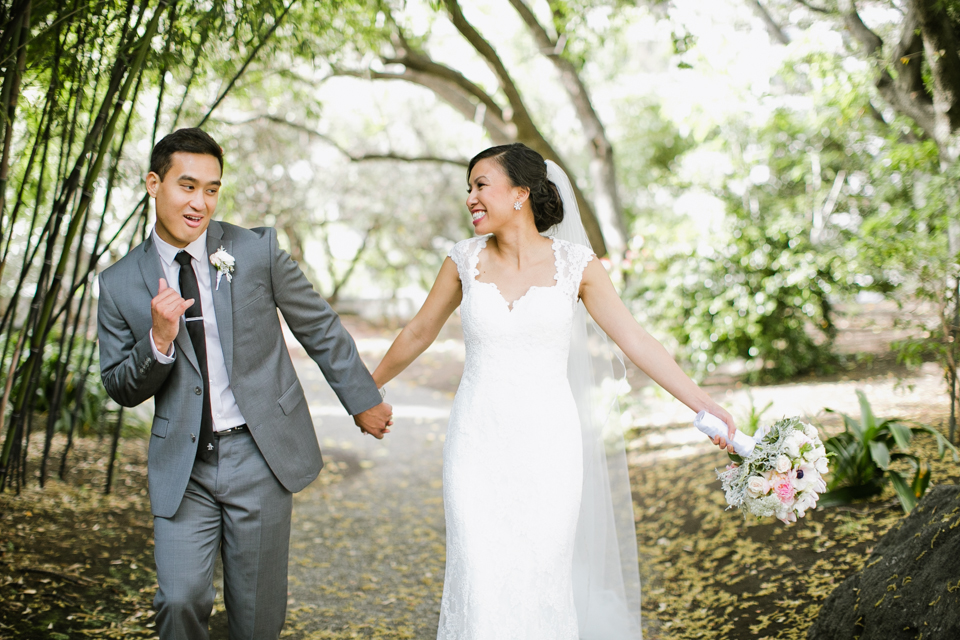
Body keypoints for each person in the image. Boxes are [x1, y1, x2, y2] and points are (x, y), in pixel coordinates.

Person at [371, 142, 736, 639]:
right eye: (469, 188)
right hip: (477, 445)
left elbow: (636, 340)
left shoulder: (577, 266)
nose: (470, 198)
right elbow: (418, 332)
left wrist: (704, 402)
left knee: (542, 575)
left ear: (520, 193)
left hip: (550, 448)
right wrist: (365, 391)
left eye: (481, 185)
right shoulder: (462, 260)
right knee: (479, 575)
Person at [97, 127, 393, 640]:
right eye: (187, 186)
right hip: (184, 468)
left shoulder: (254, 250)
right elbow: (120, 386)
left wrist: (361, 399)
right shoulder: (119, 282)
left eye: (211, 189)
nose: (200, 203)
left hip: (259, 456)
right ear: (153, 183)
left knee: (256, 616)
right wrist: (159, 341)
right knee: (179, 599)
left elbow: (317, 325)